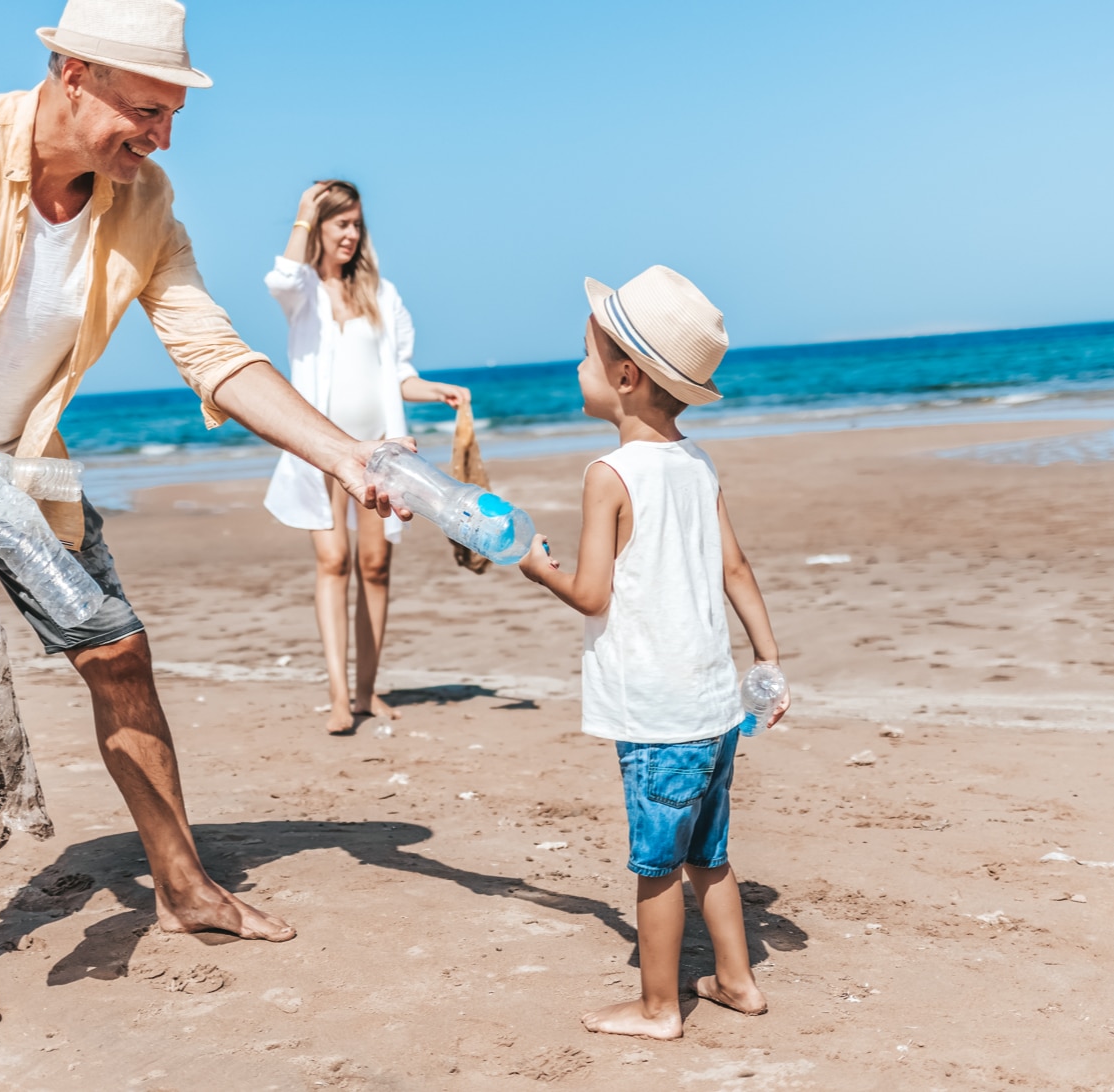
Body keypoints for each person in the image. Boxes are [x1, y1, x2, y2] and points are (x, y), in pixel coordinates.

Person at [0, 0, 408, 1026]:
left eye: (171, 117)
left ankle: (182, 887)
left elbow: (211, 350)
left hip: (22, 466)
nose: (161, 138)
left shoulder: (143, 201)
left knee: (117, 651)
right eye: (147, 111)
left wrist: (342, 453)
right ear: (72, 73)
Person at [516, 265, 789, 1040]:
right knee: (712, 854)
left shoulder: (608, 475)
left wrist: (538, 566)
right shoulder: (695, 463)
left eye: (585, 353)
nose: (576, 366)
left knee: (656, 865)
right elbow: (736, 568)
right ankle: (736, 981)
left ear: (626, 377)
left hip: (656, 712)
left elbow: (592, 594)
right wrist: (768, 664)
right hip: (712, 705)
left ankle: (659, 1006)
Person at [263, 181, 470, 734]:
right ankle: (336, 695)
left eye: (357, 224)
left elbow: (400, 374)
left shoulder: (384, 295)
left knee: (375, 567)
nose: (352, 234)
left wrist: (440, 392)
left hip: (380, 452)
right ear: (321, 228)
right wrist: (304, 211)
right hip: (321, 450)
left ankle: (365, 691)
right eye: (341, 224)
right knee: (333, 562)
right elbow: (278, 277)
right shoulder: (303, 290)